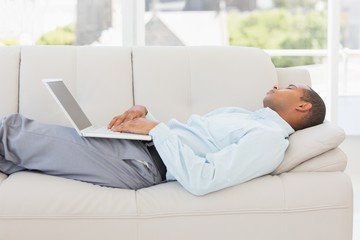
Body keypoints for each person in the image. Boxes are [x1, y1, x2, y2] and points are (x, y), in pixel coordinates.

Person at [0, 84, 326, 196]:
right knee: (10, 154)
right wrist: (144, 115)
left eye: (288, 86)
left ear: (302, 106)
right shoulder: (240, 114)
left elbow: (203, 179)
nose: (275, 84)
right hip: (135, 147)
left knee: (10, 131)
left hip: (140, 164)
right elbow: (187, 138)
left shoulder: (269, 140)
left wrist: (156, 130)